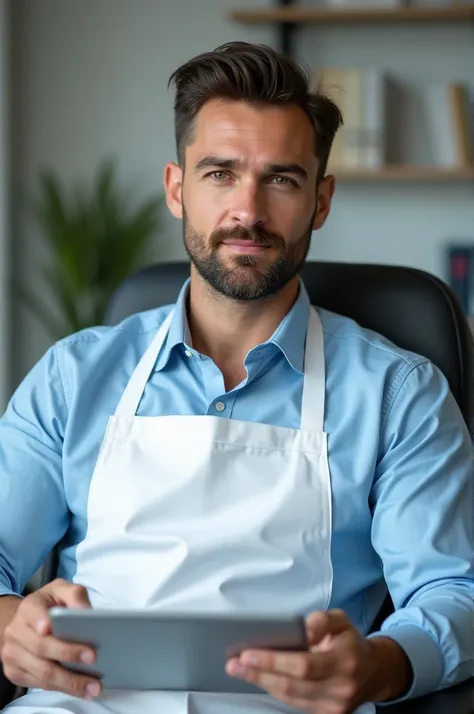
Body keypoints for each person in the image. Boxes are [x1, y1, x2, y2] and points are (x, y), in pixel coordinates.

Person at [0, 40, 473, 714]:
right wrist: (8, 626)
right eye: (220, 173)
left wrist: (375, 665)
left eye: (280, 179)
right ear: (176, 189)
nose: (246, 212)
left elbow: (454, 592)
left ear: (321, 199)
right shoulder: (72, 376)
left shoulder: (401, 395)